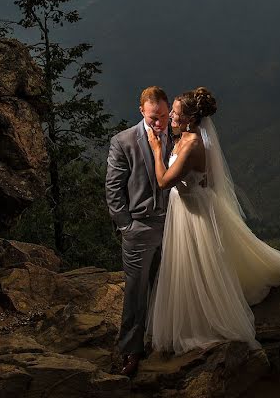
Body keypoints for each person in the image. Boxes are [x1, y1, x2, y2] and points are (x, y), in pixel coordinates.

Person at [146, 87, 280, 355]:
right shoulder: (191, 137)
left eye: (176, 114)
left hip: (192, 213)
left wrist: (156, 150)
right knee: (193, 262)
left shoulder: (192, 144)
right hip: (190, 205)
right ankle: (196, 308)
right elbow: (208, 178)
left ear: (190, 118)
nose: (171, 117)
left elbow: (165, 181)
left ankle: (204, 318)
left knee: (197, 263)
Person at [105, 86, 174, 376]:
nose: (159, 123)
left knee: (169, 285)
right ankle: (131, 351)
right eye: (153, 118)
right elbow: (113, 188)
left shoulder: (180, 135)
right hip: (140, 226)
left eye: (163, 116)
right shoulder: (123, 141)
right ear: (141, 112)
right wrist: (126, 226)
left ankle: (164, 340)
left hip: (175, 226)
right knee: (136, 291)